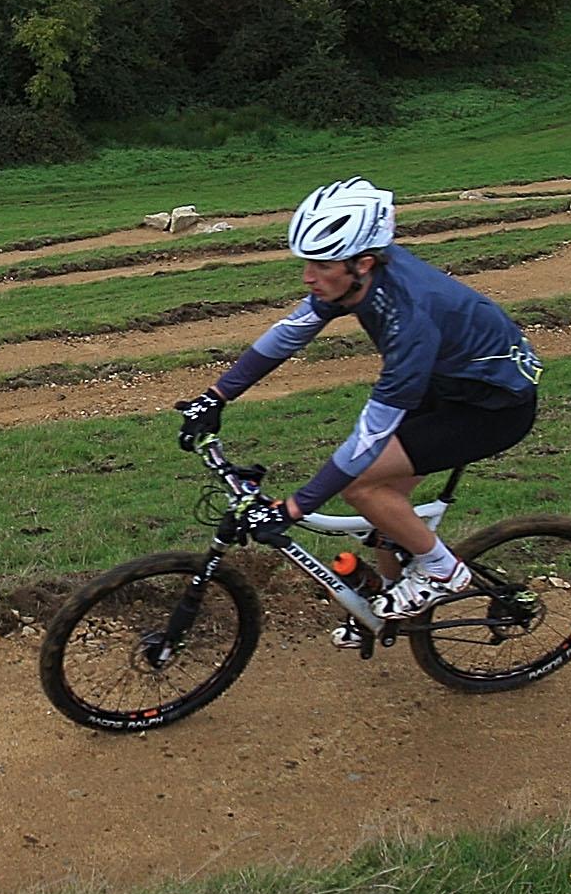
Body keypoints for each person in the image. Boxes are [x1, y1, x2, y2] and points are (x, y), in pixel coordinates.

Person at [175, 177, 540, 619]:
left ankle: (443, 572)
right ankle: (388, 601)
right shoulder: (352, 280)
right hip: (447, 384)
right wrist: (214, 396)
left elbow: (370, 436)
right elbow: (288, 334)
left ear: (363, 262)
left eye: (321, 265)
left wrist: (293, 508)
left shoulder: (410, 319)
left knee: (361, 483)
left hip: (492, 408)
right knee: (383, 506)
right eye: (307, 262)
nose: (309, 276)